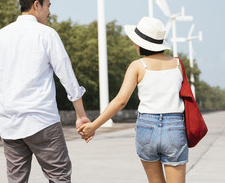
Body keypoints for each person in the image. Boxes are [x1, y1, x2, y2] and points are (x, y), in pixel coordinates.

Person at [0, 0, 91, 183]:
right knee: (59, 177)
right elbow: (67, 77)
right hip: (43, 121)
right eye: (48, 5)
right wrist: (81, 116)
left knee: (16, 180)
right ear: (36, 5)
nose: (49, 11)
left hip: (10, 125)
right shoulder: (47, 34)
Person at [78, 16, 188, 183]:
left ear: (141, 43)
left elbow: (120, 101)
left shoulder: (137, 66)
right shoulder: (177, 64)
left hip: (147, 127)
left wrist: (94, 126)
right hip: (174, 127)